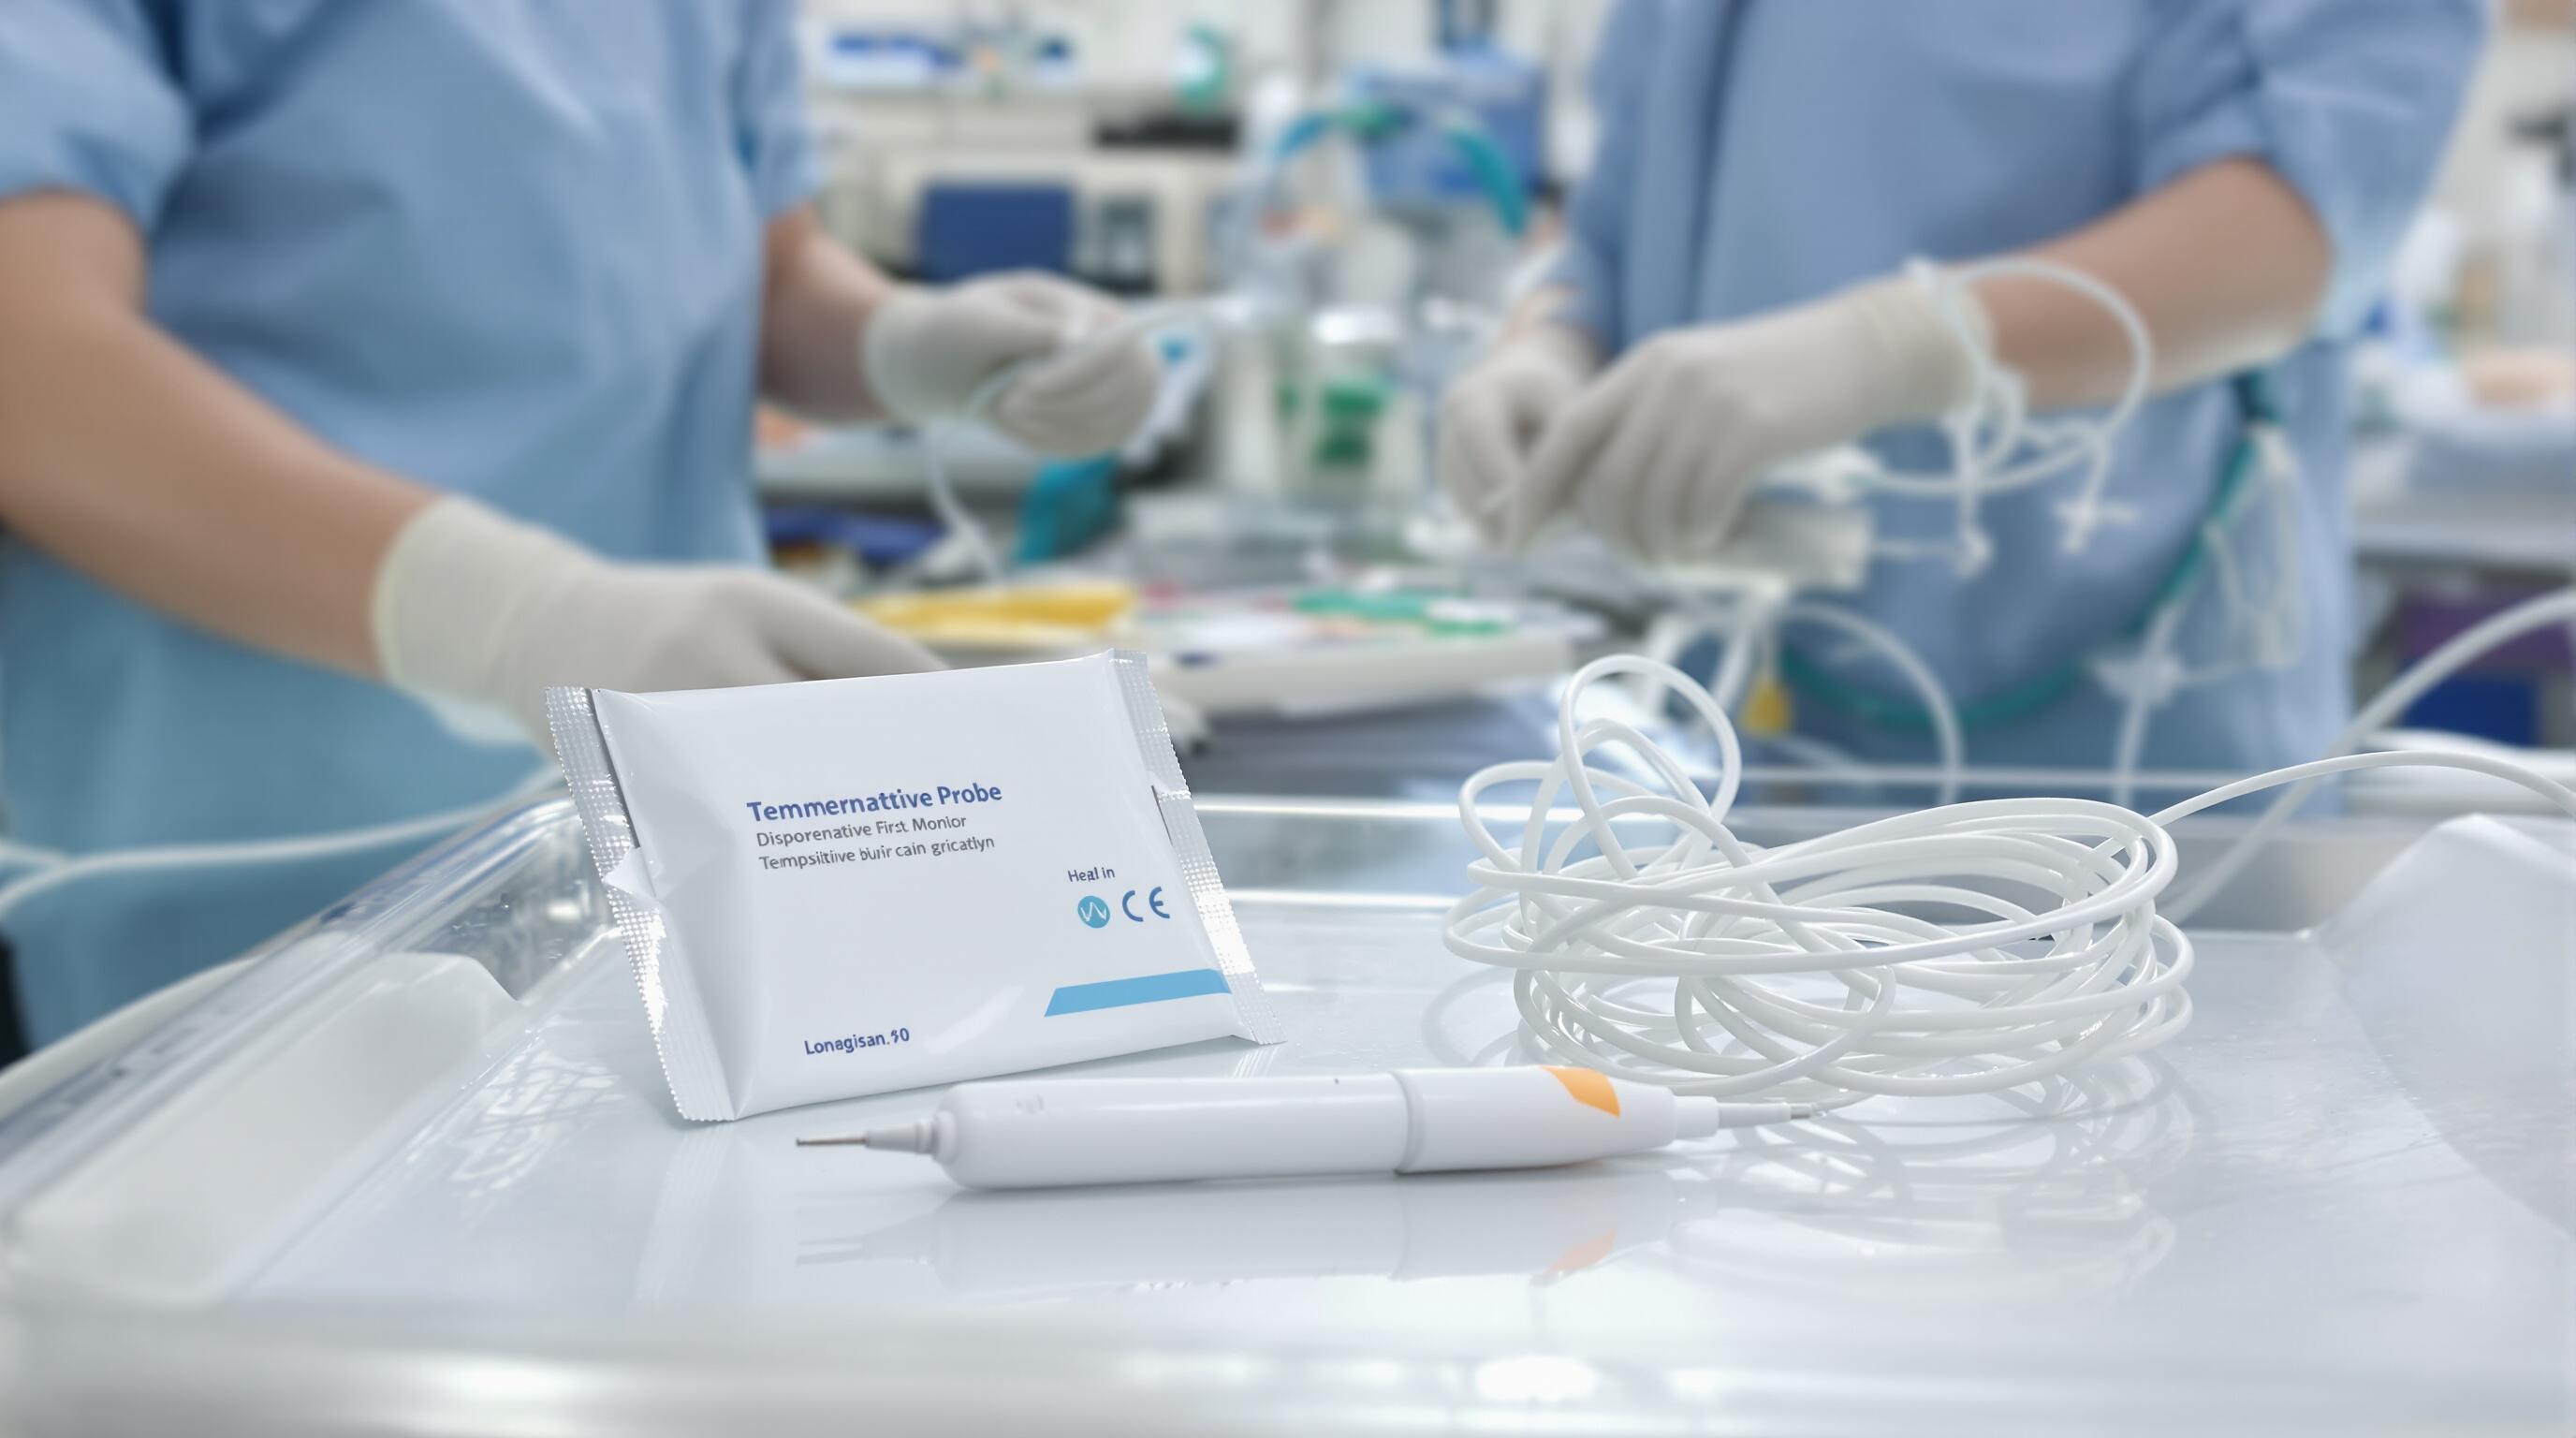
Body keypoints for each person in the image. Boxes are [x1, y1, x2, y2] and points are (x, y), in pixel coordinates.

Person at [0, 2, 1158, 1036]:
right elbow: (29, 368)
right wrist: (509, 616)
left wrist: (904, 343)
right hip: (242, 839)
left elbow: (759, 270)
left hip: (678, 819)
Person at [1440, 0, 2486, 776]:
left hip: (2114, 754)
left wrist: (1900, 345)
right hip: (1726, 728)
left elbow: (2306, 216)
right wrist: (1550, 336)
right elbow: (1628, 200)